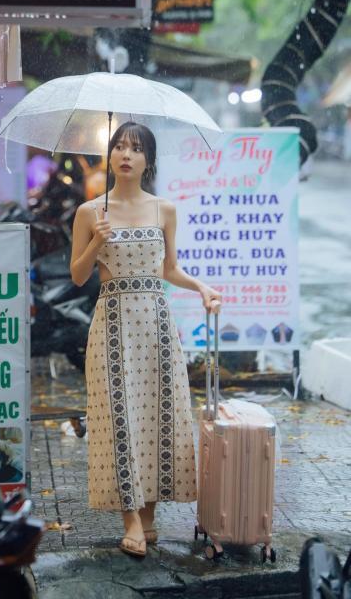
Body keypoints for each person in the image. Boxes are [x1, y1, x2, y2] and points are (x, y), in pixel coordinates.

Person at [70, 121, 222, 558]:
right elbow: (79, 276)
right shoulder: (89, 213)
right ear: (111, 155)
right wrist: (95, 241)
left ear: (148, 160)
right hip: (112, 322)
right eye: (119, 146)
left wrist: (201, 288)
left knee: (158, 415)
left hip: (156, 323)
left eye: (136, 149)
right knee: (119, 416)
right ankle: (131, 518)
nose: (126, 154)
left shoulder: (164, 210)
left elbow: (168, 269)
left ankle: (149, 516)